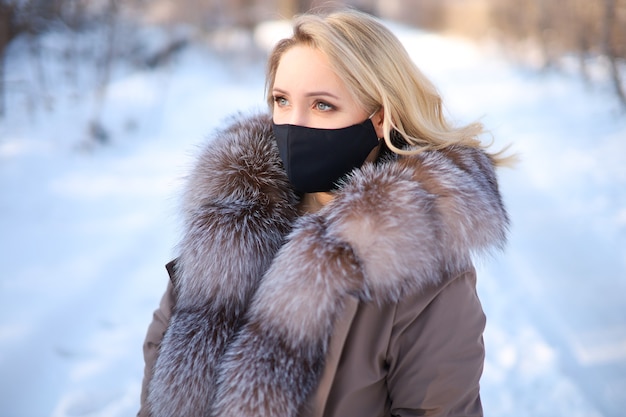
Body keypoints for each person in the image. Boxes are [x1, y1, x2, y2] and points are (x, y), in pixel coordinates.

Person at [138, 8, 510, 417]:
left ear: (381, 118)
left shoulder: (423, 274)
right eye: (281, 101)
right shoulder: (228, 221)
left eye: (323, 106)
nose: (293, 125)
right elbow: (160, 366)